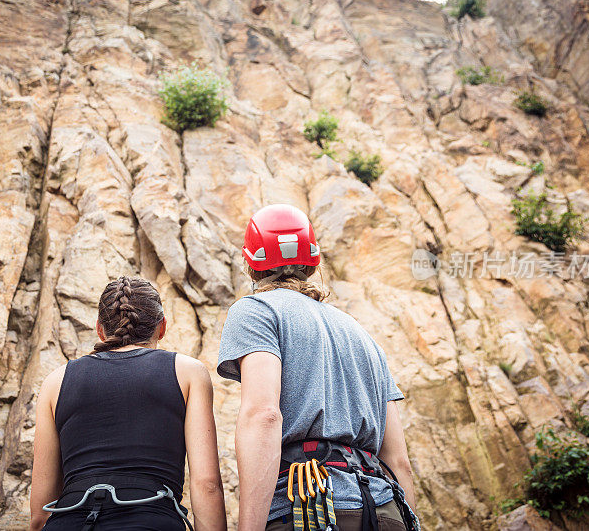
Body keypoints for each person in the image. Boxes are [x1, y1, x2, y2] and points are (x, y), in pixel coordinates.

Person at [217, 204, 419, 531]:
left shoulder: (255, 312)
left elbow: (263, 415)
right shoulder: (362, 335)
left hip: (308, 509)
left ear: (250, 264)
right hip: (384, 509)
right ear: (312, 262)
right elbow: (399, 462)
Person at [30, 276, 227, 531]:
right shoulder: (188, 373)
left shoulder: (55, 382)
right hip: (150, 521)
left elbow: (40, 513)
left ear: (100, 329)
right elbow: (207, 485)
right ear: (162, 327)